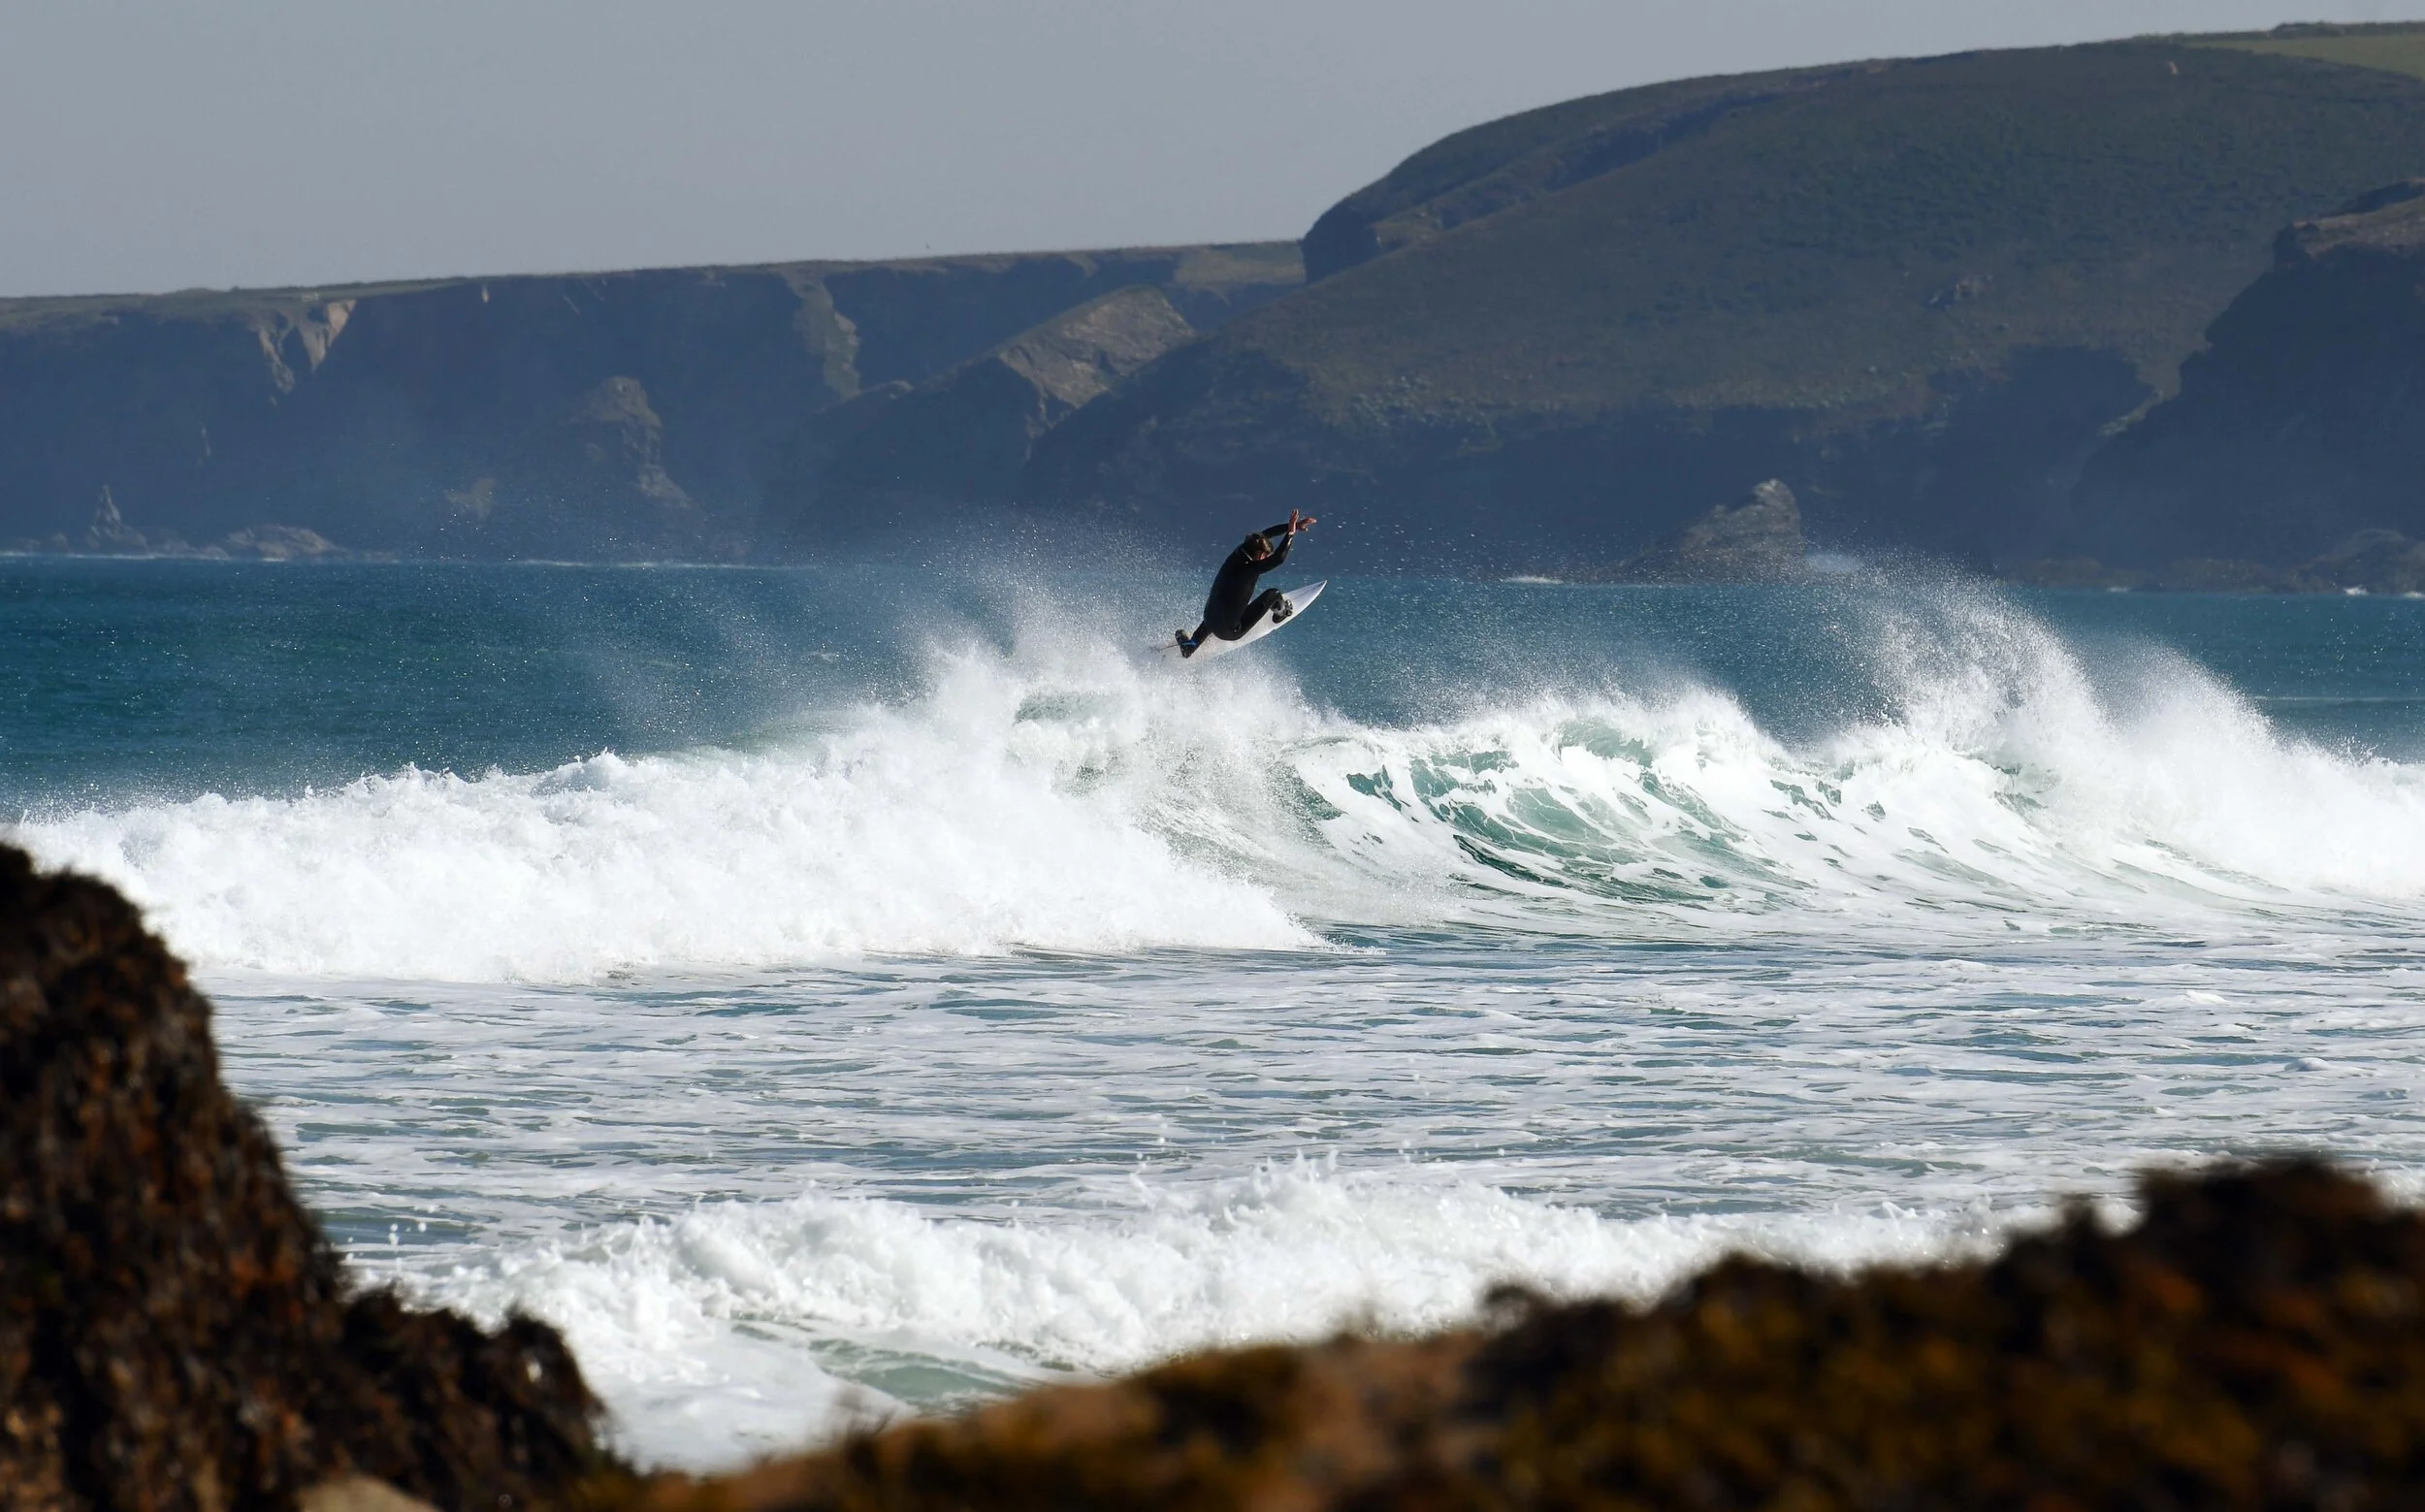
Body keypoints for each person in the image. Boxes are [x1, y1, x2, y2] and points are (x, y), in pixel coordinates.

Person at [1177, 510, 1317, 658]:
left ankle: (1190, 645)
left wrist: (1289, 526)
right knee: (1274, 593)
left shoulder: (1238, 553)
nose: (1266, 559)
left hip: (1209, 619)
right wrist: (1290, 534)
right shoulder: (1251, 568)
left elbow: (1263, 536)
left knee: (1220, 604)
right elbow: (1279, 558)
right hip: (1230, 631)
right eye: (1265, 556)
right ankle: (1281, 612)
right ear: (1260, 555)